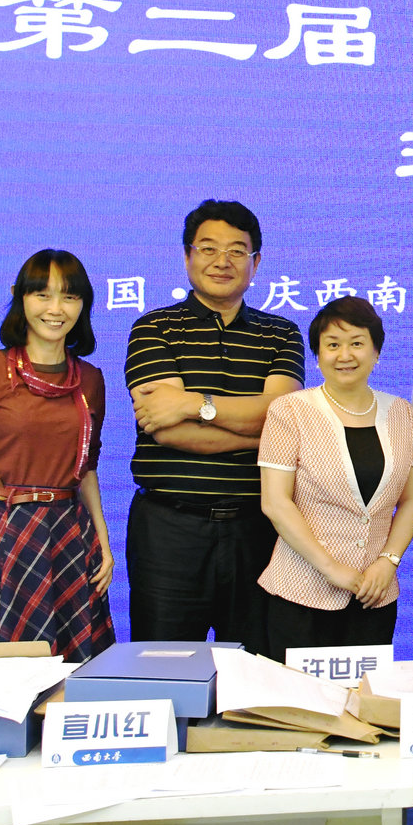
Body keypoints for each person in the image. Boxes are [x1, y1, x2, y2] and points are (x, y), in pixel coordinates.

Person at [123, 200, 305, 651]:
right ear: (187, 256)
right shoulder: (154, 328)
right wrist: (261, 433)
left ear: (256, 262)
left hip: (258, 528)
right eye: (208, 248)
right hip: (169, 528)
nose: (222, 261)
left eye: (237, 251)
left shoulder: (281, 334)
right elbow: (167, 430)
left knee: (255, 667)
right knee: (162, 663)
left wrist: (192, 404)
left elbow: (282, 418)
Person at [0, 249, 116, 659]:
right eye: (43, 295)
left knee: (73, 671)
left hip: (69, 534)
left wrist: (103, 543)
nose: (56, 309)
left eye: (69, 297)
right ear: (20, 297)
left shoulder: (90, 379)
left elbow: (86, 468)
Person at [257, 296, 413, 654]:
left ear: (376, 352)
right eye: (332, 345)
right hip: (300, 593)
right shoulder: (290, 410)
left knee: (365, 690)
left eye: (357, 343)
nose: (344, 355)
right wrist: (330, 567)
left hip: (374, 594)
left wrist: (388, 561)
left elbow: (411, 500)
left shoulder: (401, 412)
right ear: (317, 355)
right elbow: (275, 502)